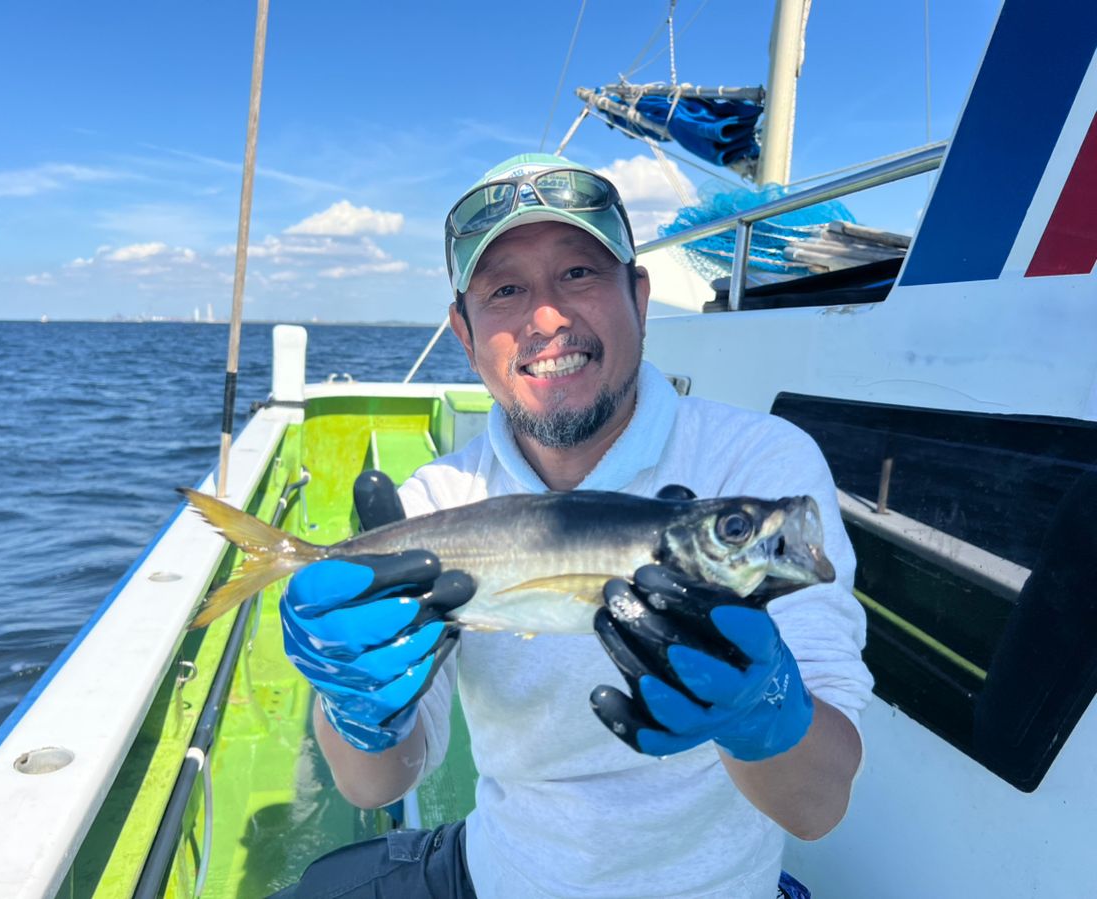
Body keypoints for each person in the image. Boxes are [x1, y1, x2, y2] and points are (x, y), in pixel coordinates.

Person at [273, 154, 872, 899]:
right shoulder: (438, 501)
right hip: (496, 874)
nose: (547, 317)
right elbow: (376, 785)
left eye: (580, 274)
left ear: (639, 296)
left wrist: (762, 711)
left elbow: (817, 808)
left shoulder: (756, 464)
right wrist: (358, 709)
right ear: (464, 333)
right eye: (506, 289)